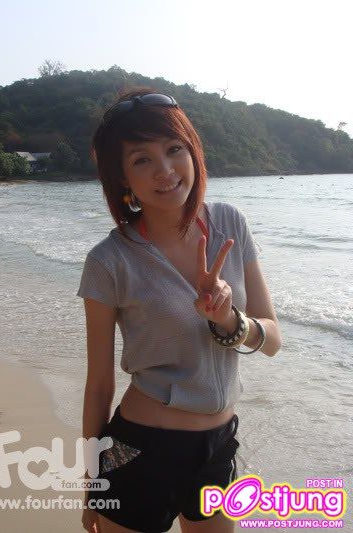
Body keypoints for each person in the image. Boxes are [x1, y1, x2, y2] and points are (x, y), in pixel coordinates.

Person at [77, 87, 283, 533]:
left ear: (192, 151)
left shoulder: (229, 223)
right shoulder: (109, 261)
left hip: (218, 446)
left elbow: (272, 339)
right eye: (142, 159)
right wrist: (93, 483)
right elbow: (98, 386)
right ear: (122, 178)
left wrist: (229, 320)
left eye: (174, 149)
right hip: (138, 449)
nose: (165, 170)